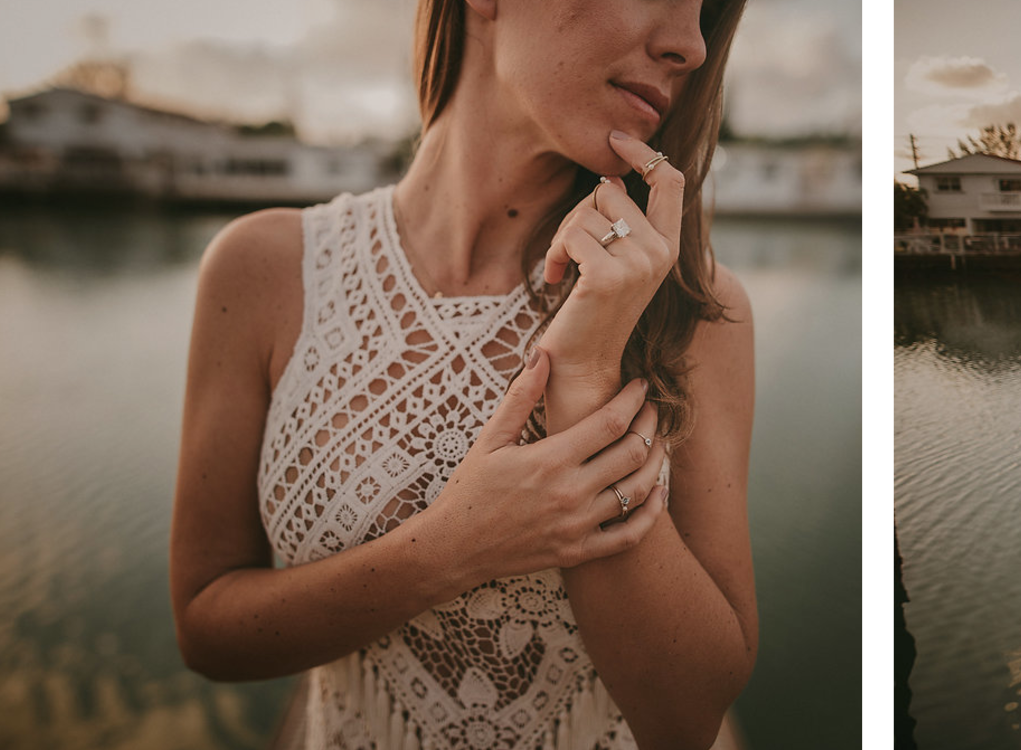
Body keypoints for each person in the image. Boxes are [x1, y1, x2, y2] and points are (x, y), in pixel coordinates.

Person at [167, 1, 757, 748]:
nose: (691, 46)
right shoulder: (263, 269)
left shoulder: (695, 310)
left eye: (706, 12)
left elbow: (687, 719)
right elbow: (206, 629)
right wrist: (454, 547)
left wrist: (586, 373)